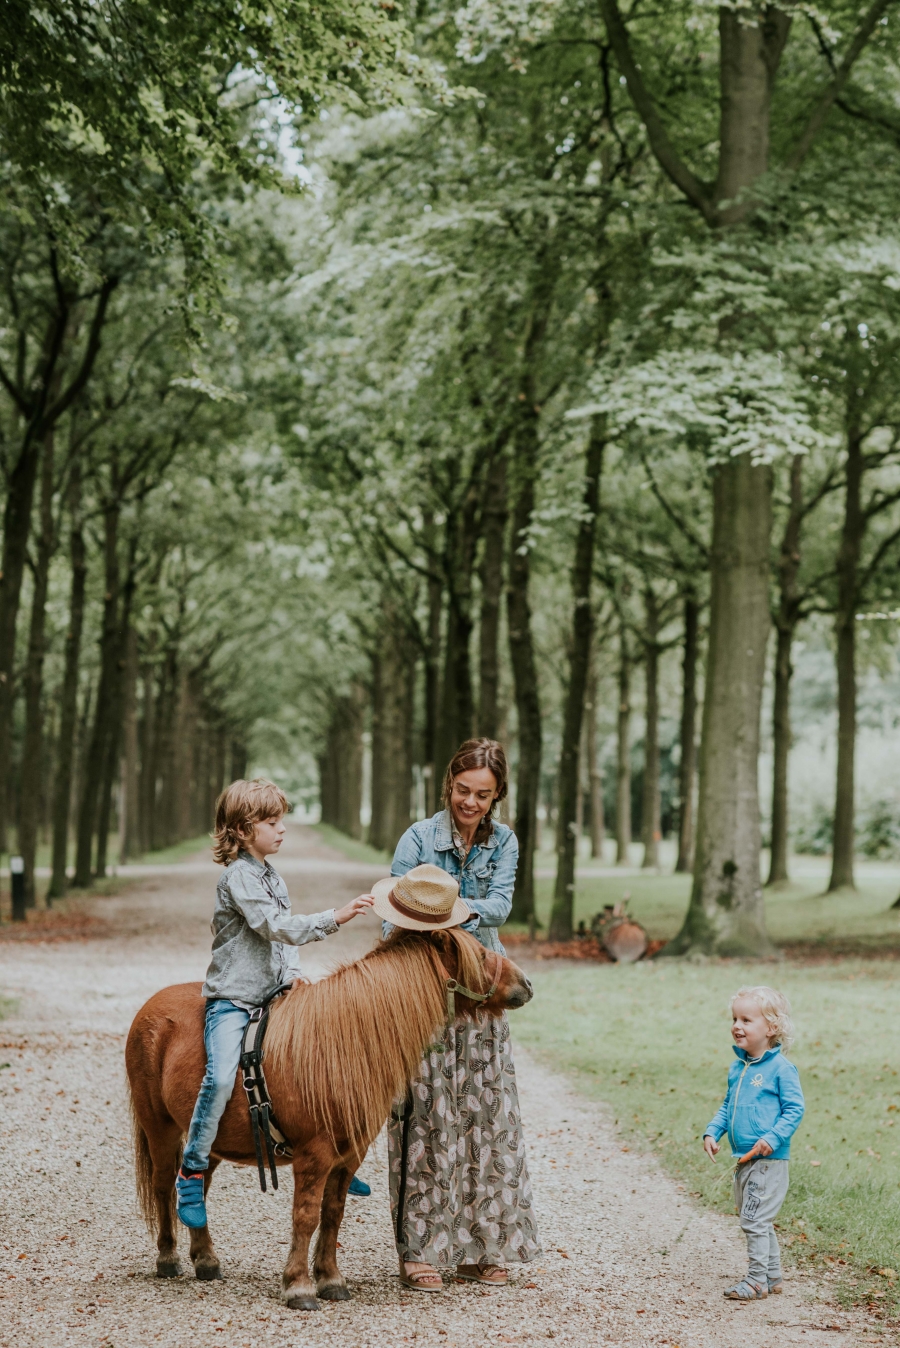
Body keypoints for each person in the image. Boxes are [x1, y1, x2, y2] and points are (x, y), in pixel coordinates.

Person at [375, 737, 542, 1292]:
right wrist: (434, 935)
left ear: (497, 797)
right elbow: (393, 916)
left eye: (484, 795)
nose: (471, 803)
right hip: (425, 998)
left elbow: (500, 904)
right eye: (464, 791)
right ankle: (419, 1250)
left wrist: (449, 916)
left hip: (479, 998)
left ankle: (481, 1247)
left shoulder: (506, 842)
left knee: (484, 1120)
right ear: (449, 784)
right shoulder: (419, 838)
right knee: (425, 1120)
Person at [176, 778, 374, 1229]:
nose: (282, 829)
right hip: (235, 1000)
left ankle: (337, 1156)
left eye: (280, 819)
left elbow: (282, 949)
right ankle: (192, 1166)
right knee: (222, 1075)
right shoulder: (238, 877)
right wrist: (335, 917)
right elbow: (275, 927)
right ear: (245, 830)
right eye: (271, 821)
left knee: (324, 1057)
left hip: (273, 995)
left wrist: (293, 977)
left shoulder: (271, 874)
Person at [703, 985, 805, 1301]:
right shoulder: (738, 1067)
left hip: (769, 1160)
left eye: (747, 1020)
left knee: (754, 1220)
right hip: (744, 1158)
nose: (737, 1026)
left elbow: (795, 1109)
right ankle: (772, 1275)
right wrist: (712, 1131)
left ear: (771, 1028)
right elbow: (728, 1104)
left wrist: (772, 1139)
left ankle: (756, 1280)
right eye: (735, 1018)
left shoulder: (781, 1069)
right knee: (759, 1219)